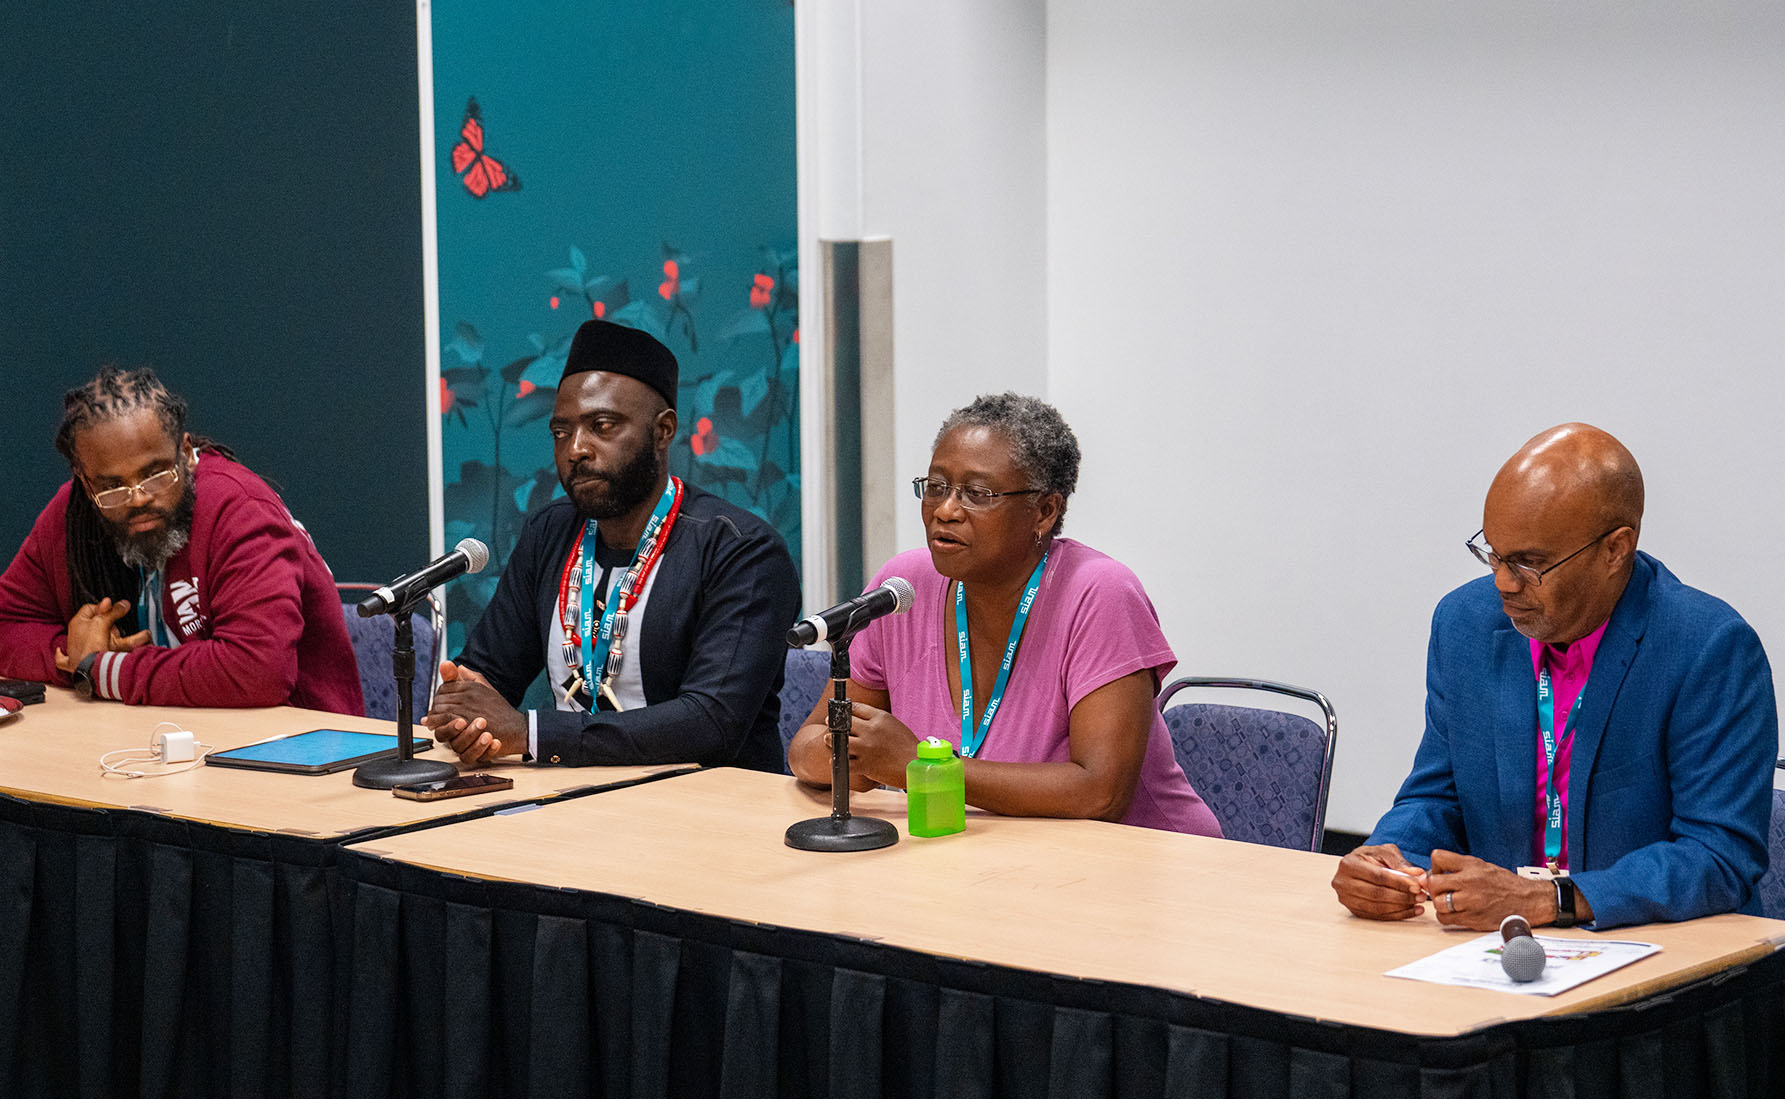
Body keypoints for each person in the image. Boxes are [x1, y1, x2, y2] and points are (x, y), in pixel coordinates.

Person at [1332, 423, 1776, 931]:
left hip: (1666, 952)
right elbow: (1437, 796)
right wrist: (1385, 861)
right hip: (1505, 947)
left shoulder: (1707, 647)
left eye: (1528, 563)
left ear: (1616, 549)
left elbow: (1719, 855)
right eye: (1494, 554)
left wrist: (1554, 899)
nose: (1503, 582)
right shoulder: (1465, 625)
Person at [787, 393, 1222, 835]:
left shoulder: (1100, 594)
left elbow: (1100, 793)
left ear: (1045, 511)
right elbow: (804, 748)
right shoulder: (903, 588)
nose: (946, 510)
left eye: (977, 494)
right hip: (992, 857)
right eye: (936, 487)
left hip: (1147, 860)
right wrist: (849, 757)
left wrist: (919, 765)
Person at [424, 319, 800, 771]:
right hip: (568, 798)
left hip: (705, 805)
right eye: (561, 433)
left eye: (602, 426)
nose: (576, 449)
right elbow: (487, 674)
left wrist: (532, 733)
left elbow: (712, 724)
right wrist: (464, 709)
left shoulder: (741, 551)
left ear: (663, 431)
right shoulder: (550, 533)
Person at [0, 365, 364, 713]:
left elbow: (258, 669)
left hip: (293, 741)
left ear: (186, 453)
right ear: (84, 479)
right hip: (145, 734)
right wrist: (75, 656)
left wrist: (103, 670)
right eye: (112, 486)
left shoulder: (241, 509)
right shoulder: (73, 513)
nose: (138, 498)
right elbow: (7, 624)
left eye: (155, 474)